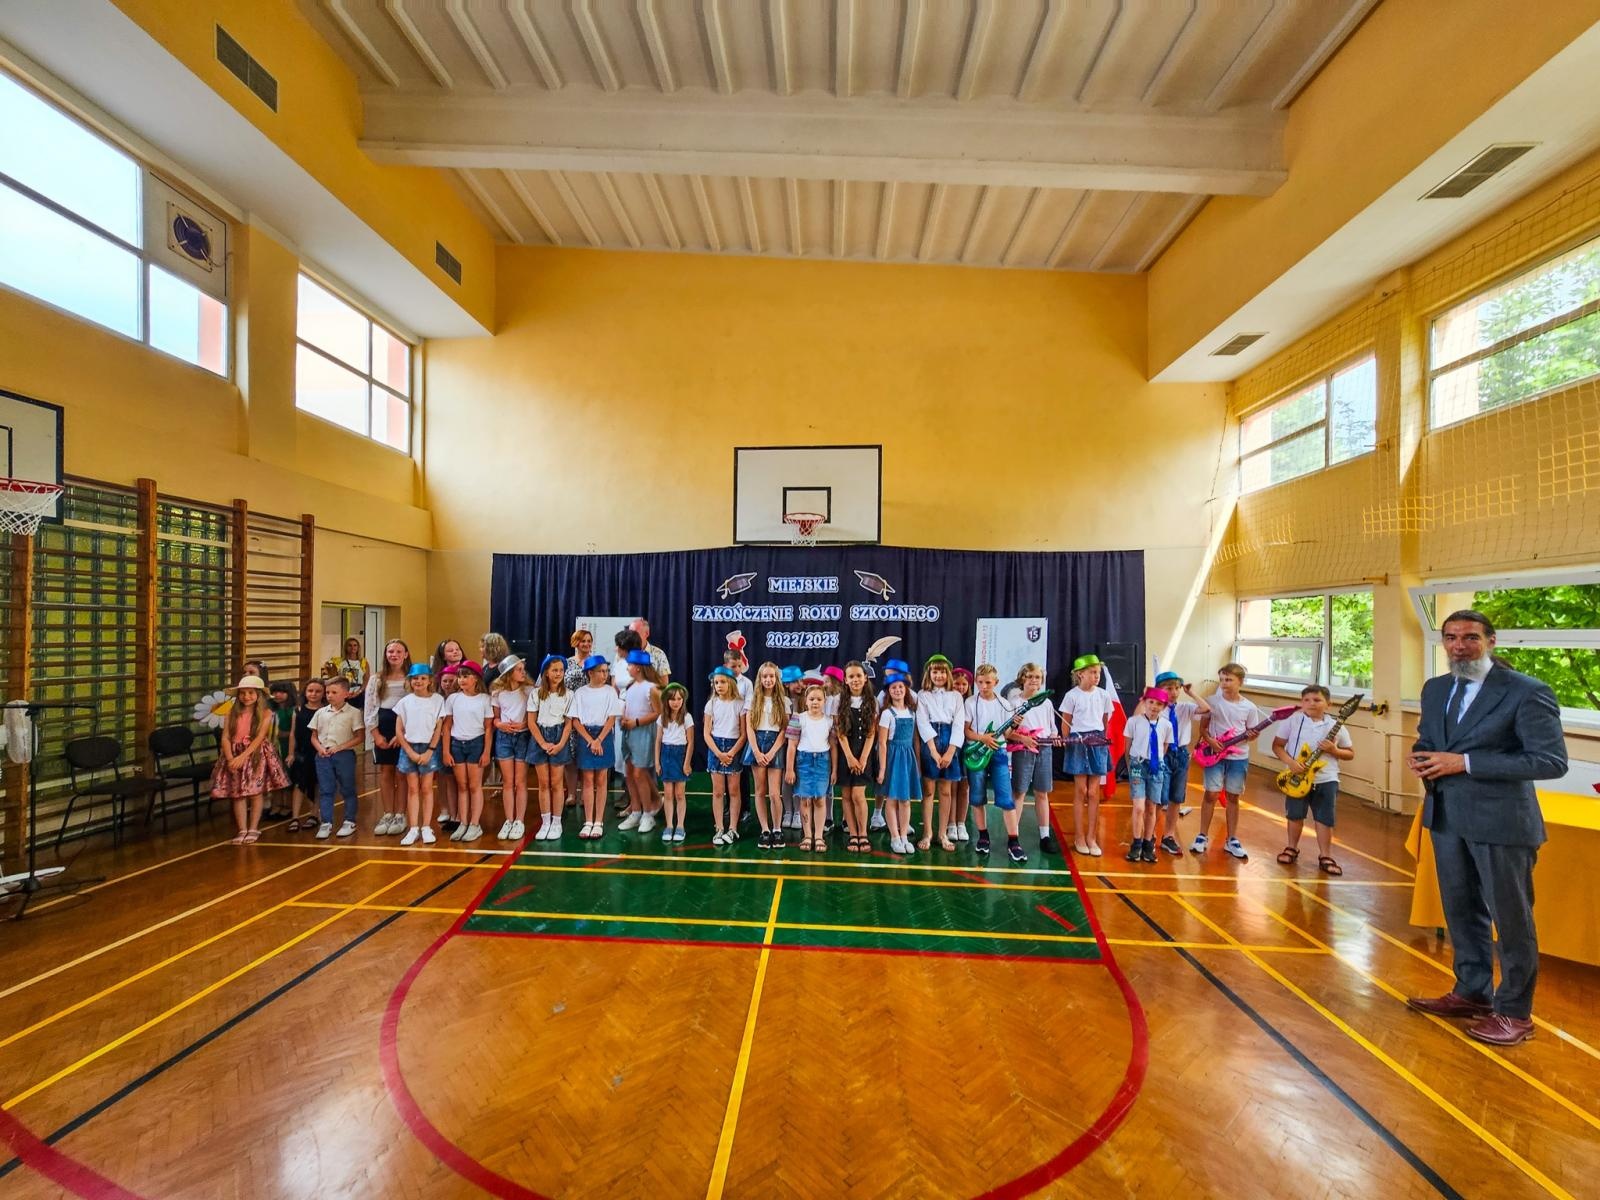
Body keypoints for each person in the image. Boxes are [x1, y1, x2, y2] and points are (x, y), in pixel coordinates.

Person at [1405, 610, 1567, 1047]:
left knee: (1511, 920)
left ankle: (1514, 1012)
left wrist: (1464, 763)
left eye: (1470, 637)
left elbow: (1549, 761)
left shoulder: (1527, 692)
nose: (1460, 646)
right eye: (1451, 637)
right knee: (1461, 911)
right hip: (1447, 817)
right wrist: (1421, 755)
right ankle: (1472, 992)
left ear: (1491, 641)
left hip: (1502, 823)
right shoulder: (1436, 688)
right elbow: (1429, 737)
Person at [1272, 685, 1354, 875]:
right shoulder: (1293, 721)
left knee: (1325, 818)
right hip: (1296, 778)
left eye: (1317, 700)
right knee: (1294, 815)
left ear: (1328, 704)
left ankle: (1325, 855)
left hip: (1326, 778)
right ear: (1301, 703)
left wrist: (1334, 750)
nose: (1311, 704)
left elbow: (1350, 753)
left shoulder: (1336, 726)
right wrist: (1291, 763)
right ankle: (1292, 847)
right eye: (1307, 700)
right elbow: (1277, 746)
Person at [1190, 662, 1267, 861]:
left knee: (1233, 796)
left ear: (1240, 682)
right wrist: (1210, 741)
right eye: (1222, 679)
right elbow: (1203, 729)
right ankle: (1202, 835)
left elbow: (1252, 733)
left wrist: (1252, 735)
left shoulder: (1249, 707)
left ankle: (1231, 839)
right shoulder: (1211, 702)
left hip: (1238, 757)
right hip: (1214, 756)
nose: (1224, 683)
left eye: (1229, 680)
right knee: (1211, 793)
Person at [210, 674, 288, 845]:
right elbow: (226, 737)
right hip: (233, 753)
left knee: (254, 792)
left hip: (255, 754)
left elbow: (260, 737)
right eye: (243, 693)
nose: (246, 696)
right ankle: (242, 829)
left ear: (259, 695)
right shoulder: (231, 712)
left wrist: (243, 757)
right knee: (238, 793)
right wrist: (230, 758)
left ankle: (253, 827)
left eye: (251, 693)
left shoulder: (266, 713)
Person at [966, 664, 1025, 862]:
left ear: (996, 682)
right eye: (980, 682)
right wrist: (982, 738)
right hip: (977, 752)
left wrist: (1015, 724)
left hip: (998, 752)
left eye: (988, 682)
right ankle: (983, 836)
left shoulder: (1005, 704)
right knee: (977, 797)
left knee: (1006, 798)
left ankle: (1014, 841)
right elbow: (966, 730)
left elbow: (1007, 734)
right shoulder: (970, 702)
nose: (984, 686)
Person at [1059, 654, 1113, 856]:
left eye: (1098, 673)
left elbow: (1105, 721)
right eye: (1092, 672)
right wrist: (1068, 744)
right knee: (1081, 790)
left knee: (1093, 792)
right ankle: (1079, 836)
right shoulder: (1072, 695)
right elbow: (1066, 723)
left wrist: (1102, 740)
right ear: (1080, 674)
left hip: (1097, 741)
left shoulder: (1103, 695)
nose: (1096, 676)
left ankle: (1092, 837)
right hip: (1078, 742)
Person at [568, 655, 623, 840]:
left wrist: (598, 740)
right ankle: (588, 821)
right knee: (587, 780)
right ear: (590, 673)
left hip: (603, 735)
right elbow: (575, 720)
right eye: (601, 671)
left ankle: (598, 821)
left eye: (606, 671)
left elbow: (611, 718)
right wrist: (590, 740)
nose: (605, 675)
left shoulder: (610, 692)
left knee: (601, 779)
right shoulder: (580, 693)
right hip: (585, 736)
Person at [1006, 662, 1059, 855]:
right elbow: (1007, 732)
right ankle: (1013, 836)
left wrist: (1054, 737)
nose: (1033, 680)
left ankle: (1045, 835)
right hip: (1023, 750)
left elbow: (1052, 729)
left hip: (1044, 750)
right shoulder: (1014, 703)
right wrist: (1023, 739)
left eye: (1037, 677)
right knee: (1019, 792)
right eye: (1029, 677)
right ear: (1022, 679)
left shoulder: (1046, 703)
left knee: (1042, 792)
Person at [1153, 671, 1208, 852]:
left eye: (1177, 688)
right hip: (1163, 753)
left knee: (1176, 798)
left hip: (1181, 754)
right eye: (1169, 688)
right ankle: (1150, 834)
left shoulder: (1185, 707)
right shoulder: (1156, 709)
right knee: (1159, 798)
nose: (1174, 692)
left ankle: (1168, 835)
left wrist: (1191, 692)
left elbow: (1206, 709)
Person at [916, 654, 965, 852]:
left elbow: (959, 724)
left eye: (943, 671)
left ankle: (942, 833)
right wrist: (934, 752)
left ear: (948, 674)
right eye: (935, 671)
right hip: (932, 741)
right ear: (929, 673)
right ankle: (927, 832)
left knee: (946, 791)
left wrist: (951, 752)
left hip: (950, 738)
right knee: (929, 791)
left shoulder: (956, 696)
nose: (939, 675)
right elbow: (922, 722)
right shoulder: (923, 695)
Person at [442, 661, 494, 842]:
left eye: (466, 676)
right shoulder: (453, 699)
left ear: (476, 678)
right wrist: (446, 751)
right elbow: (447, 726)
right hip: (457, 744)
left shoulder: (484, 699)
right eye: (460, 676)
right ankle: (463, 822)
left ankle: (474, 824)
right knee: (462, 785)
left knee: (474, 785)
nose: (462, 680)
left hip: (476, 744)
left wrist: (486, 752)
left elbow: (488, 728)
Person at [394, 663, 444, 846]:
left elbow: (439, 727)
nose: (419, 681)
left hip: (428, 747)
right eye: (415, 678)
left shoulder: (438, 700)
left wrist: (430, 750)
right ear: (410, 681)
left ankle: (426, 826)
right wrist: (409, 751)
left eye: (423, 678)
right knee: (413, 788)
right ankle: (413, 827)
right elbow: (399, 730)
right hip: (409, 747)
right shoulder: (404, 702)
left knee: (427, 788)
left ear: (430, 681)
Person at [309, 677, 365, 839]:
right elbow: (314, 736)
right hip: (323, 755)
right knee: (326, 789)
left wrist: (340, 747)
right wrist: (320, 748)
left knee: (347, 788)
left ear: (346, 694)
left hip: (344, 755)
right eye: (328, 692)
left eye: (334, 692)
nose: (330, 696)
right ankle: (326, 822)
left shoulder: (353, 713)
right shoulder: (320, 713)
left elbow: (359, 737)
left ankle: (349, 820)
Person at [365, 639, 411, 838]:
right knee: (386, 771)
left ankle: (401, 814)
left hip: (405, 727)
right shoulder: (377, 679)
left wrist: (403, 735)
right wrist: (375, 734)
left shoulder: (412, 677)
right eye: (390, 651)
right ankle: (388, 813)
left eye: (398, 651)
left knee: (402, 773)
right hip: (383, 726)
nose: (394, 655)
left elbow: (416, 705)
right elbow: (370, 707)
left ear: (406, 654)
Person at [1123, 688, 1173, 865]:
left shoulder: (1166, 725)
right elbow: (1127, 746)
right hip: (1138, 764)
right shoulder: (1133, 722)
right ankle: (1136, 843)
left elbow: (1164, 747)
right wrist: (1130, 766)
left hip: (1156, 767)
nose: (1154, 706)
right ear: (1144, 702)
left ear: (1164, 707)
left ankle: (1147, 844)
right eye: (1151, 702)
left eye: (1159, 704)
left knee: (1152, 807)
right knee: (1138, 807)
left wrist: (1156, 762)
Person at [526, 654, 573, 841]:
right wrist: (543, 743)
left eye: (561, 670)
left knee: (556, 783)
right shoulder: (536, 694)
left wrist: (560, 744)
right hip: (540, 738)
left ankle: (556, 822)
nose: (558, 673)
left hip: (559, 736)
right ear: (546, 672)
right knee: (543, 783)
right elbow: (531, 722)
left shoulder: (569, 694)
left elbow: (568, 724)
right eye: (554, 670)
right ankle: (545, 822)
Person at [618, 648, 662, 834]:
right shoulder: (630, 687)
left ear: (638, 667)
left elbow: (658, 713)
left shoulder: (652, 688)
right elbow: (627, 706)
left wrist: (636, 722)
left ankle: (647, 814)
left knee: (639, 773)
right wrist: (624, 719)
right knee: (629, 772)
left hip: (643, 732)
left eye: (630, 665)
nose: (627, 668)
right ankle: (635, 811)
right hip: (628, 732)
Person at [746, 661, 790, 849]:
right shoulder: (753, 700)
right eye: (765, 676)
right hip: (757, 744)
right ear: (760, 678)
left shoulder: (784, 701)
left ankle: (777, 829)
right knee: (759, 791)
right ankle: (765, 829)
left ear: (776, 678)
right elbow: (749, 727)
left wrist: (772, 752)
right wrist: (756, 751)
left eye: (771, 676)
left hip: (775, 745)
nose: (768, 679)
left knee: (774, 793)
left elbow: (784, 730)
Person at [787, 684, 836, 853]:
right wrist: (790, 769)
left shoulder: (829, 721)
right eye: (812, 699)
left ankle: (819, 836)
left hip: (823, 762)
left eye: (819, 699)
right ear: (806, 701)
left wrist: (834, 770)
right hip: (804, 762)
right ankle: (807, 835)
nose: (815, 702)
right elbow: (792, 746)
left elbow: (834, 747)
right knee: (805, 799)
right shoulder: (798, 718)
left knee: (820, 799)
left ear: (824, 701)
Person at [835, 661, 876, 854]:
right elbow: (840, 732)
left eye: (858, 675)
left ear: (865, 677)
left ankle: (863, 833)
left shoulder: (871, 701)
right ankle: (853, 833)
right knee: (846, 795)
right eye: (851, 676)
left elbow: (871, 733)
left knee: (858, 795)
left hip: (863, 754)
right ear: (845, 680)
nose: (855, 680)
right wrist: (850, 758)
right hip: (846, 754)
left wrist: (863, 758)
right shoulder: (839, 700)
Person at [704, 666, 748, 846]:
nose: (719, 686)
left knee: (734, 790)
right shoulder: (711, 704)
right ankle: (719, 827)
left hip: (733, 747)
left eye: (722, 682)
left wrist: (730, 753)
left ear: (730, 683)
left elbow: (743, 734)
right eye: (716, 683)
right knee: (717, 791)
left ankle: (733, 828)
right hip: (716, 747)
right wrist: (718, 753)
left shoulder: (739, 704)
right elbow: (706, 733)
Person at [877, 674, 920, 856]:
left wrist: (917, 763)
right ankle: (894, 836)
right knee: (892, 798)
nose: (897, 690)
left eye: (901, 687)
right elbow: (882, 743)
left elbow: (915, 739)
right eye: (893, 687)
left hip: (907, 756)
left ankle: (904, 836)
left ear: (906, 689)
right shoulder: (887, 714)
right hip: (893, 757)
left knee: (905, 800)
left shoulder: (912, 712)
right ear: (888, 691)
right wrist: (882, 768)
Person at [490, 655, 532, 841]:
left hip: (522, 736)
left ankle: (519, 820)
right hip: (504, 737)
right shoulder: (498, 693)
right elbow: (495, 718)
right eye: (518, 669)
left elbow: (532, 716)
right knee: (507, 782)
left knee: (520, 781)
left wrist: (524, 724)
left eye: (523, 669)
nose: (523, 672)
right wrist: (500, 724)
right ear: (508, 673)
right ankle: (509, 819)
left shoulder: (528, 691)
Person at [869, 658, 910, 833]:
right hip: (887, 744)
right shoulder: (883, 696)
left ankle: (902, 820)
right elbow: (876, 717)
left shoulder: (910, 696)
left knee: (901, 787)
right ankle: (877, 814)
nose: (888, 674)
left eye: (892, 672)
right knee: (884, 782)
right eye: (888, 672)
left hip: (905, 748)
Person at [655, 682, 694, 844]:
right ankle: (669, 825)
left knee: (679, 794)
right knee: (668, 793)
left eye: (679, 699)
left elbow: (690, 742)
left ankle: (680, 825)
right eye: (672, 699)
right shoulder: (661, 718)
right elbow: (658, 741)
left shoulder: (687, 717)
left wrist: (686, 763)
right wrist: (657, 762)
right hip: (666, 755)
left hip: (680, 755)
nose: (676, 702)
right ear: (666, 700)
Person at [284, 678, 324, 833]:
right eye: (310, 691)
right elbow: (293, 733)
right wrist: (291, 753)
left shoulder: (325, 710)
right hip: (302, 751)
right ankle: (295, 817)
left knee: (317, 783)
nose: (313, 694)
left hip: (319, 750)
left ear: (323, 693)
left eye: (318, 691)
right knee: (299, 784)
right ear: (305, 692)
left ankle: (314, 814)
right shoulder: (298, 710)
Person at [265, 680, 296, 821]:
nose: (277, 695)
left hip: (287, 746)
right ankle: (276, 804)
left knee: (288, 776)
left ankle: (288, 805)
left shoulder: (293, 710)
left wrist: (283, 734)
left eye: (282, 692)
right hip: (272, 746)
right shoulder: (271, 710)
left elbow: (296, 731)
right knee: (274, 776)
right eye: (275, 692)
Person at [950, 666, 975, 839]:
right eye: (957, 684)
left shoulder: (972, 703)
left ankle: (961, 823)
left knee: (964, 788)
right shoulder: (949, 701)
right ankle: (951, 824)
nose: (960, 687)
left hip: (968, 749)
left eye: (964, 684)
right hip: (952, 747)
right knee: (952, 787)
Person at [435, 666, 461, 830]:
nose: (448, 684)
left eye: (451, 680)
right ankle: (452, 814)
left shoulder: (461, 699)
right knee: (449, 779)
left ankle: (462, 815)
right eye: (445, 681)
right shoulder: (437, 700)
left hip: (458, 741)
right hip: (442, 743)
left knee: (461, 781)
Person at [629, 617, 672, 683]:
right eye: (630, 633)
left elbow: (664, 683)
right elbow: (614, 682)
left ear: (646, 634)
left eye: (635, 633)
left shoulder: (659, 654)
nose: (631, 637)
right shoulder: (623, 652)